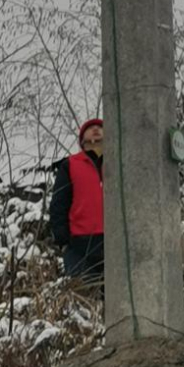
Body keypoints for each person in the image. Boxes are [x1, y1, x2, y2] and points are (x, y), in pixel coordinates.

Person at [49, 117, 105, 284]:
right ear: (82, 139)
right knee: (83, 297)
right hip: (79, 244)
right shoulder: (70, 165)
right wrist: (63, 240)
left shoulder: (119, 164)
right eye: (90, 127)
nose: (96, 129)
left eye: (100, 127)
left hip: (114, 241)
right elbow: (59, 203)